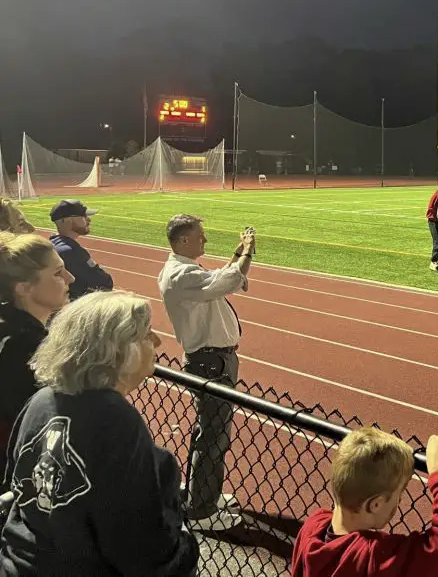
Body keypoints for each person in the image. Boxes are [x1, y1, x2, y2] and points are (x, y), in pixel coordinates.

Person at [0, 291, 198, 577]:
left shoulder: (42, 400)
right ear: (117, 350)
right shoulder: (114, 418)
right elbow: (141, 546)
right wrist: (187, 547)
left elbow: (18, 486)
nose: (157, 341)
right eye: (145, 334)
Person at [157, 214, 255, 531]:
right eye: (201, 236)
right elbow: (227, 281)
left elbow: (222, 276)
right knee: (213, 437)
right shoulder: (181, 275)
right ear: (184, 240)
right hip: (210, 362)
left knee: (210, 433)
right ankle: (203, 510)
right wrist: (247, 252)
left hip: (213, 360)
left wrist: (239, 254)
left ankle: (203, 495)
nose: (205, 240)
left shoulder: (185, 270)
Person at [290, 428, 438, 577]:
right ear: (375, 504)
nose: (401, 500)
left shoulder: (312, 528)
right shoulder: (372, 557)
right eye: (399, 493)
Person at [0, 233, 73, 486]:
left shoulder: (11, 329)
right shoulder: (25, 348)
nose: (70, 279)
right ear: (24, 287)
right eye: (58, 273)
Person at [49, 200, 114, 301]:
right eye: (84, 216)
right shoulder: (70, 251)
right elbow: (105, 282)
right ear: (68, 220)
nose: (89, 220)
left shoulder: (53, 243)